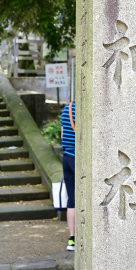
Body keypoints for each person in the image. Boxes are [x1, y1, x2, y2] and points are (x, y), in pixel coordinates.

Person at [61, 100, 76, 251]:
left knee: (72, 199)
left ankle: (72, 238)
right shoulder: (88, 109)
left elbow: (63, 134)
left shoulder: (68, 108)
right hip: (79, 159)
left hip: (67, 157)